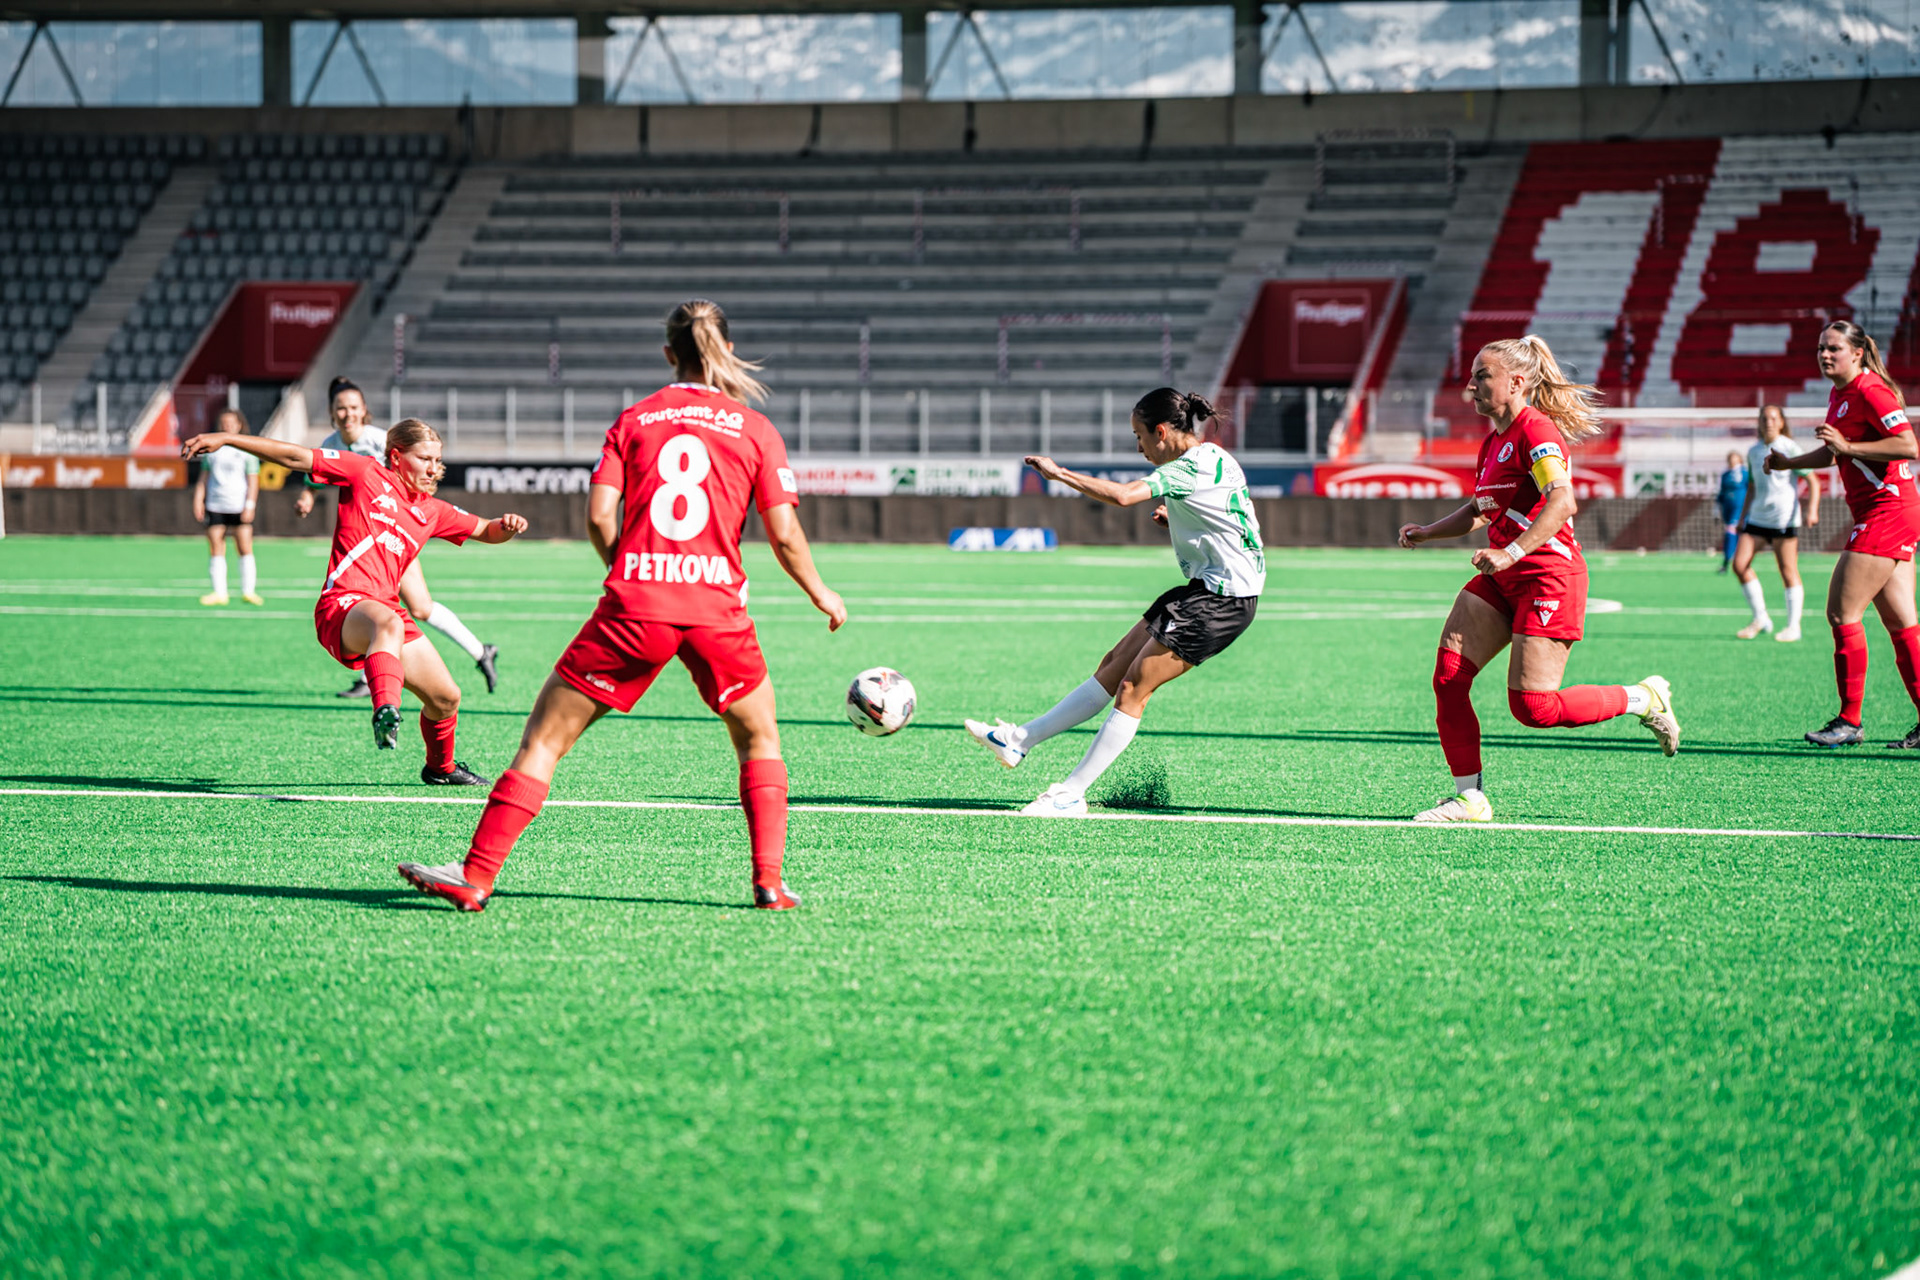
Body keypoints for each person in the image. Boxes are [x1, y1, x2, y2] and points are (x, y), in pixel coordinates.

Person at [396, 299, 845, 913]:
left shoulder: (636, 420)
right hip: (718, 610)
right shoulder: (755, 429)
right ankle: (768, 882)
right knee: (760, 740)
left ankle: (475, 875)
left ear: (668, 355)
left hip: (634, 607)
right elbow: (785, 534)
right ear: (729, 353)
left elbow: (599, 517)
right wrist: (821, 591)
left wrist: (631, 574)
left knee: (543, 743)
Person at [1396, 334, 1679, 824]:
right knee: (1448, 678)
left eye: (1482, 376)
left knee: (1534, 709)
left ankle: (1643, 697)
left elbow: (1562, 501)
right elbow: (1479, 510)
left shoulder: (1537, 431)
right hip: (1504, 577)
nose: (1471, 385)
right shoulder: (1492, 441)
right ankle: (1470, 798)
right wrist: (1426, 533)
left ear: (1516, 381)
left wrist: (1510, 553)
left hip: (1549, 577)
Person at [964, 389, 1264, 817]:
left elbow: (1124, 496)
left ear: (1161, 432)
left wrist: (1060, 474)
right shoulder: (1215, 457)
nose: (1138, 447)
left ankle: (1070, 794)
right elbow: (1228, 517)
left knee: (1133, 687)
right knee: (1114, 666)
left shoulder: (1183, 469)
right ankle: (1019, 740)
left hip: (1223, 600)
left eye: (1139, 436)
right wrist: (1177, 519)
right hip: (1206, 588)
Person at [182, 418, 526, 782]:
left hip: (385, 615)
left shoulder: (432, 510)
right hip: (342, 606)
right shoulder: (364, 473)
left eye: (436, 459)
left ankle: (440, 769)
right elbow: (295, 457)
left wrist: (507, 527)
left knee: (445, 698)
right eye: (423, 458)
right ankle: (386, 711)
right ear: (396, 457)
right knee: (389, 623)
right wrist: (229, 439)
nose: (433, 467)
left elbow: (485, 530)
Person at [1765, 320, 1920, 748]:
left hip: (1887, 512)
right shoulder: (1840, 394)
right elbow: (1835, 450)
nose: (1825, 355)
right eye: (1820, 349)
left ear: (1857, 352)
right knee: (1901, 624)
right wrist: (1787, 465)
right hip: (1887, 512)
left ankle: (1849, 721)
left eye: (1833, 348)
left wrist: (1850, 449)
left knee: (1840, 612)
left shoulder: (1871, 390)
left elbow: (1908, 445)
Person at [298, 377, 501, 699]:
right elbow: (321, 473)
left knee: (415, 607)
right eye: (341, 409)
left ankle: (479, 651)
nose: (347, 414)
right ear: (331, 413)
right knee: (401, 608)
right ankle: (475, 653)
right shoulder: (332, 442)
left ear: (365, 411)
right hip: (370, 536)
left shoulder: (380, 442)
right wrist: (309, 495)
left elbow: (415, 476)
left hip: (396, 534)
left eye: (353, 408)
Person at [1732, 403, 1820, 641]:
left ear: (1781, 422)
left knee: (1788, 571)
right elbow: (1751, 486)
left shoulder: (1789, 447)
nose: (1768, 422)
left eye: (1773, 418)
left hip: (1784, 518)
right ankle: (1760, 618)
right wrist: (1742, 518)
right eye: (1764, 418)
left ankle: (1794, 626)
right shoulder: (1752, 451)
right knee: (1739, 565)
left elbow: (1812, 480)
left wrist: (1812, 510)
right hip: (1757, 518)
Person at [192, 408, 263, 607]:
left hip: (239, 504)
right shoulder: (212, 449)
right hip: (216, 503)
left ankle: (248, 591)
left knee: (244, 546)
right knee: (215, 546)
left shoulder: (247, 449)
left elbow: (253, 480)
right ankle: (219, 592)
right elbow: (204, 478)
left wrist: (250, 504)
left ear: (239, 425)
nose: (227, 426)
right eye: (224, 423)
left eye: (231, 423)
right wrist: (199, 499)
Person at [1715, 449, 1746, 572]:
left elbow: (1751, 490)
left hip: (1740, 509)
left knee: (1731, 532)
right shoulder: (1725, 475)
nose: (1732, 461)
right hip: (1727, 508)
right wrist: (1716, 510)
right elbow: (1721, 493)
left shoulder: (1745, 474)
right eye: (1730, 459)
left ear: (1739, 460)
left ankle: (1727, 562)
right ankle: (1735, 561)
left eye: (1735, 458)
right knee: (1734, 533)